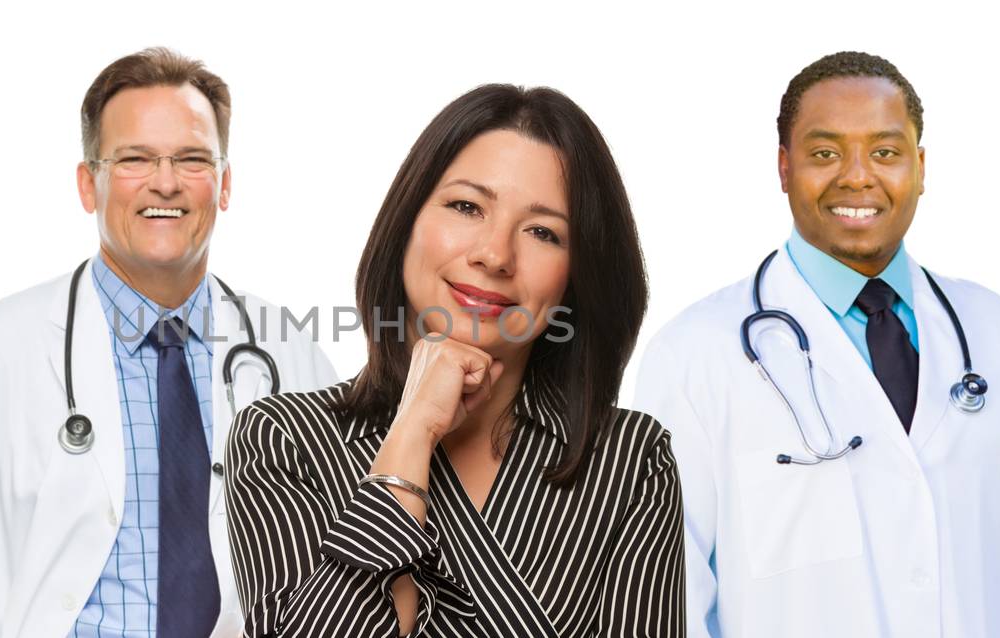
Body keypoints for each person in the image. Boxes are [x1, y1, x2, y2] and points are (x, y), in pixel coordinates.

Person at [634, 51, 1000, 637]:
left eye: (885, 152)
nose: (858, 176)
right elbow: (664, 604)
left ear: (921, 168)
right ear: (783, 168)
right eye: (825, 153)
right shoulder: (694, 358)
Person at [0, 47, 338, 637]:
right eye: (134, 159)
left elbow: (340, 562)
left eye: (193, 159)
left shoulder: (290, 355)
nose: (165, 183)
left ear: (224, 184)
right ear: (87, 184)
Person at [226, 84, 684, 636]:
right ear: (407, 224)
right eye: (466, 207)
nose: (494, 254)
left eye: (543, 232)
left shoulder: (630, 462)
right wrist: (413, 434)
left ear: (577, 276)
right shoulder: (283, 439)